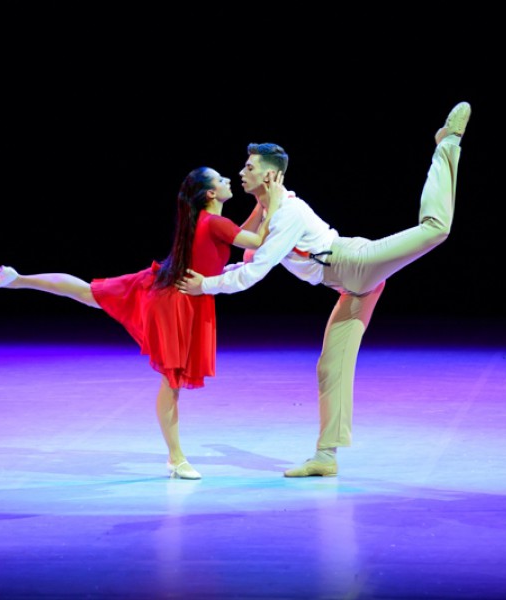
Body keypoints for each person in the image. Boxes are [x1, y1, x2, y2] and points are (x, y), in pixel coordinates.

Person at [176, 101, 471, 477]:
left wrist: (206, 286)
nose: (241, 172)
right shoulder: (270, 211)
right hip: (348, 285)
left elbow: (254, 272)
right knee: (330, 367)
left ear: (270, 175)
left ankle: (447, 144)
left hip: (354, 262)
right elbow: (245, 250)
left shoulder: (288, 214)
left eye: (249, 167)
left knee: (435, 229)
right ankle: (326, 457)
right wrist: (215, 259)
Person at [0, 166, 282, 480]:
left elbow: (241, 236)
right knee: (171, 383)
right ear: (211, 193)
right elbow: (258, 240)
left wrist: (262, 203)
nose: (229, 180)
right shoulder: (215, 222)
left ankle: (17, 279)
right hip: (175, 304)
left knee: (88, 293)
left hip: (165, 289)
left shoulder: (210, 221)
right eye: (221, 179)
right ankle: (176, 458)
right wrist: (272, 200)